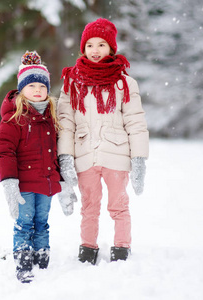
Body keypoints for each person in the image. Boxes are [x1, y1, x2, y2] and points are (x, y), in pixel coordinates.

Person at [57, 18, 149, 265]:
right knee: (89, 206)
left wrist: (139, 158)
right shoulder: (72, 83)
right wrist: (65, 156)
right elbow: (66, 123)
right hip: (85, 155)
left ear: (111, 48)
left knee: (118, 205)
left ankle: (121, 249)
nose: (95, 50)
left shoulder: (124, 83)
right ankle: (87, 248)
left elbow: (136, 123)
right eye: (89, 45)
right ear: (82, 49)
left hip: (116, 155)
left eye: (101, 44)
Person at [0, 51, 77, 283]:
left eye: (42, 86)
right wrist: (10, 182)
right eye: (31, 85)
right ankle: (23, 264)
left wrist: (62, 182)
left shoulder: (52, 118)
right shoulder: (14, 118)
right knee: (24, 224)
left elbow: (56, 153)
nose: (37, 90)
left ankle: (42, 261)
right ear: (22, 89)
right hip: (23, 184)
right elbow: (4, 151)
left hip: (46, 184)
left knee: (42, 223)